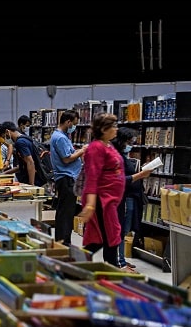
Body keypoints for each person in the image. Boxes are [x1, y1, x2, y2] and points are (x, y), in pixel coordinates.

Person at [78, 113, 124, 267]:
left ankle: (76, 264)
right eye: (114, 126)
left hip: (109, 200)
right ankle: (112, 268)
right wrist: (90, 205)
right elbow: (92, 177)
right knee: (108, 236)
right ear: (104, 129)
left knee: (107, 236)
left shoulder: (108, 145)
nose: (116, 129)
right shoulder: (96, 147)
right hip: (100, 200)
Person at [112, 127, 153, 270]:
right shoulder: (116, 157)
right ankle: (120, 261)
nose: (131, 144)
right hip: (124, 197)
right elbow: (121, 179)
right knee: (122, 230)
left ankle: (121, 259)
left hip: (130, 196)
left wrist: (141, 170)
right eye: (129, 142)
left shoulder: (122, 156)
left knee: (125, 229)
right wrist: (141, 174)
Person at [50, 110, 87, 245]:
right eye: (74, 124)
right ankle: (64, 242)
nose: (74, 127)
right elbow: (66, 159)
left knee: (64, 211)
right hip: (66, 178)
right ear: (68, 122)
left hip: (66, 177)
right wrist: (82, 151)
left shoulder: (61, 136)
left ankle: (63, 240)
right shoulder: (60, 138)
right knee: (66, 212)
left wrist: (77, 152)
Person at [0, 121, 45, 186]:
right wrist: (5, 173)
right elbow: (22, 165)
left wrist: (31, 184)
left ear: (7, 131)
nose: (6, 139)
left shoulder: (20, 142)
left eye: (5, 137)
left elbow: (30, 162)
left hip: (34, 179)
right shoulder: (25, 138)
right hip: (36, 177)